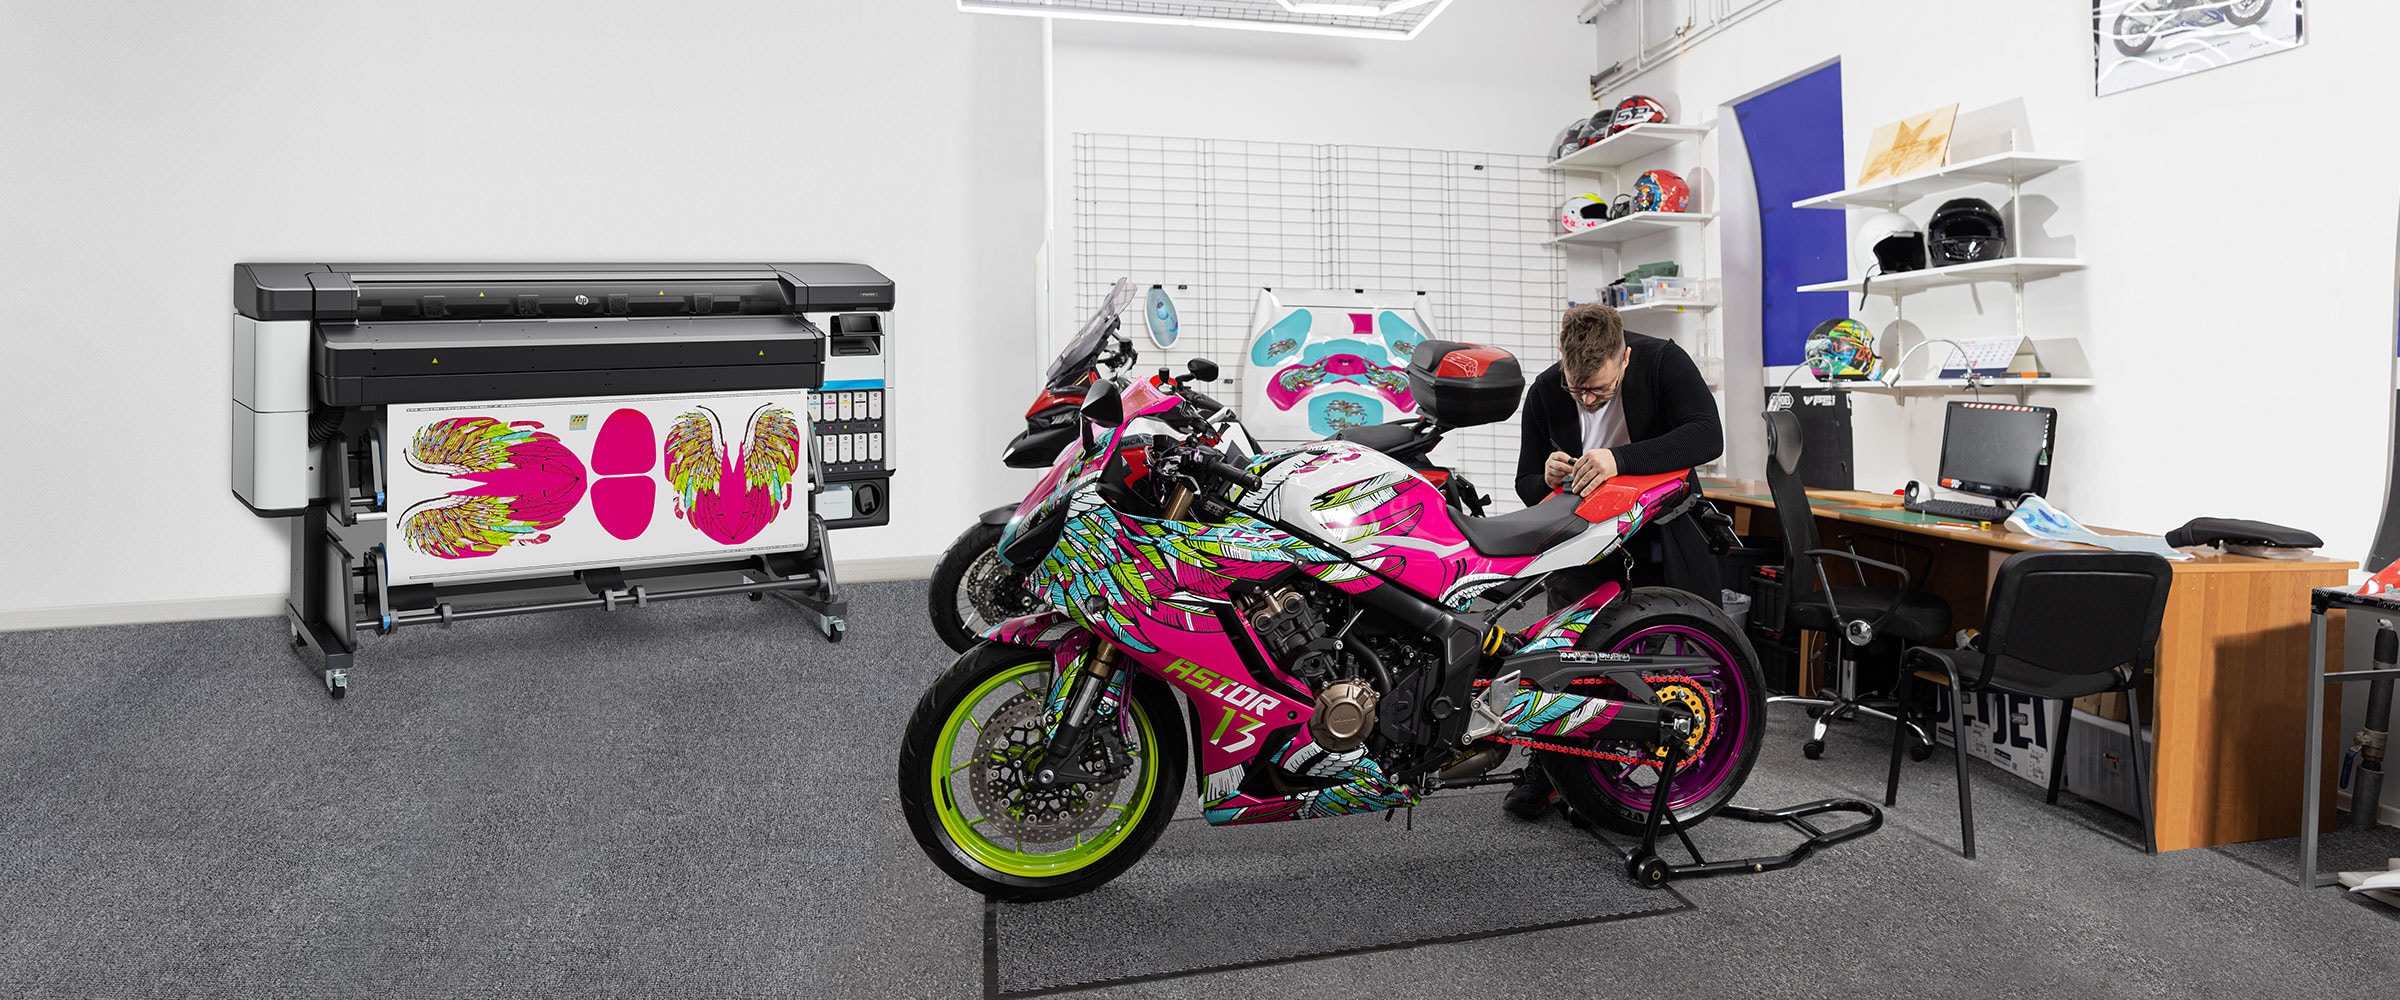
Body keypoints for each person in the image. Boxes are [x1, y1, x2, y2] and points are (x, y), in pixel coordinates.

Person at [1503, 303, 1724, 820]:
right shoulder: (1545, 390)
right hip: (1585, 537)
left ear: (1624, 358)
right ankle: (1551, 764)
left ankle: (1613, 769)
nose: (1587, 400)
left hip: (1662, 527)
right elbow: (1526, 485)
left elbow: (1706, 436)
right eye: (1577, 389)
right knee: (1565, 651)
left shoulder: (1661, 361)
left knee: (1652, 655)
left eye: (1598, 391)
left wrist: (1617, 459)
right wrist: (1548, 476)